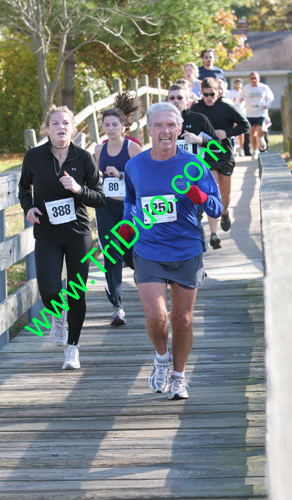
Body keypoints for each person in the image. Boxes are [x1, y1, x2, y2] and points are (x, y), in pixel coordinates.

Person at [120, 102, 222, 400]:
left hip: (186, 248)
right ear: (149, 129)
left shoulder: (195, 166)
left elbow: (216, 207)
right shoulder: (135, 165)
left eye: (171, 125)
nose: (165, 131)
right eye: (159, 125)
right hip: (148, 249)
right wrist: (129, 222)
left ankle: (179, 376)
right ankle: (161, 358)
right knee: (156, 316)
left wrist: (198, 194)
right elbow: (129, 199)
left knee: (183, 320)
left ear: (179, 130)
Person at [18, 105, 104, 370]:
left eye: (65, 123)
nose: (61, 128)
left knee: (76, 293)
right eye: (55, 123)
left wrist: (79, 189)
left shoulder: (84, 158)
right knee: (49, 289)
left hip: (78, 233)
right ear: (47, 128)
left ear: (72, 127)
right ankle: (57, 314)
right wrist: (28, 208)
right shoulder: (34, 157)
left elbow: (100, 198)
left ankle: (73, 348)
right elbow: (24, 188)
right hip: (47, 232)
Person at [95, 93, 142, 326]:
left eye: (115, 124)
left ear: (124, 126)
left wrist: (121, 174)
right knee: (111, 256)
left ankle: (152, 289)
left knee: (134, 256)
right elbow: (94, 179)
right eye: (107, 125)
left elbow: (145, 178)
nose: (111, 128)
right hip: (105, 207)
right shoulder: (98, 150)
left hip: (129, 207)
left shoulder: (132, 148)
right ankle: (117, 306)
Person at [192, 78, 250, 249]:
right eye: (206, 94)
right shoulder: (196, 108)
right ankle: (214, 233)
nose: (209, 97)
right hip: (206, 156)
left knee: (225, 196)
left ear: (218, 92)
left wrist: (226, 132)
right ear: (201, 93)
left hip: (225, 155)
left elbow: (245, 125)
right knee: (213, 191)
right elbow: (186, 127)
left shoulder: (226, 106)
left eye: (212, 94)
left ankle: (224, 212)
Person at [168, 83, 221, 251]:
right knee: (173, 221)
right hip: (170, 179)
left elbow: (218, 147)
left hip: (194, 179)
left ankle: (197, 257)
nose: (176, 101)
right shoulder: (163, 122)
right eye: (172, 98)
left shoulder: (198, 119)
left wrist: (200, 141)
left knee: (194, 219)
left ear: (188, 100)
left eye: (180, 98)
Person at [239, 72, 274, 160]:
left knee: (260, 130)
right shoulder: (246, 88)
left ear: (259, 79)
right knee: (252, 133)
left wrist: (267, 104)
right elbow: (240, 98)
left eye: (255, 78)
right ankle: (255, 151)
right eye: (252, 78)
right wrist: (239, 105)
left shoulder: (264, 87)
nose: (254, 80)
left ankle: (261, 141)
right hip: (250, 114)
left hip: (260, 113)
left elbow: (271, 97)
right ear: (249, 79)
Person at [227, 79, 246, 156]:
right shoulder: (231, 93)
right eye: (236, 83)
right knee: (235, 132)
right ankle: (234, 147)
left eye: (239, 83)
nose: (238, 85)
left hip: (242, 113)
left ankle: (241, 149)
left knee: (241, 132)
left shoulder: (244, 93)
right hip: (234, 113)